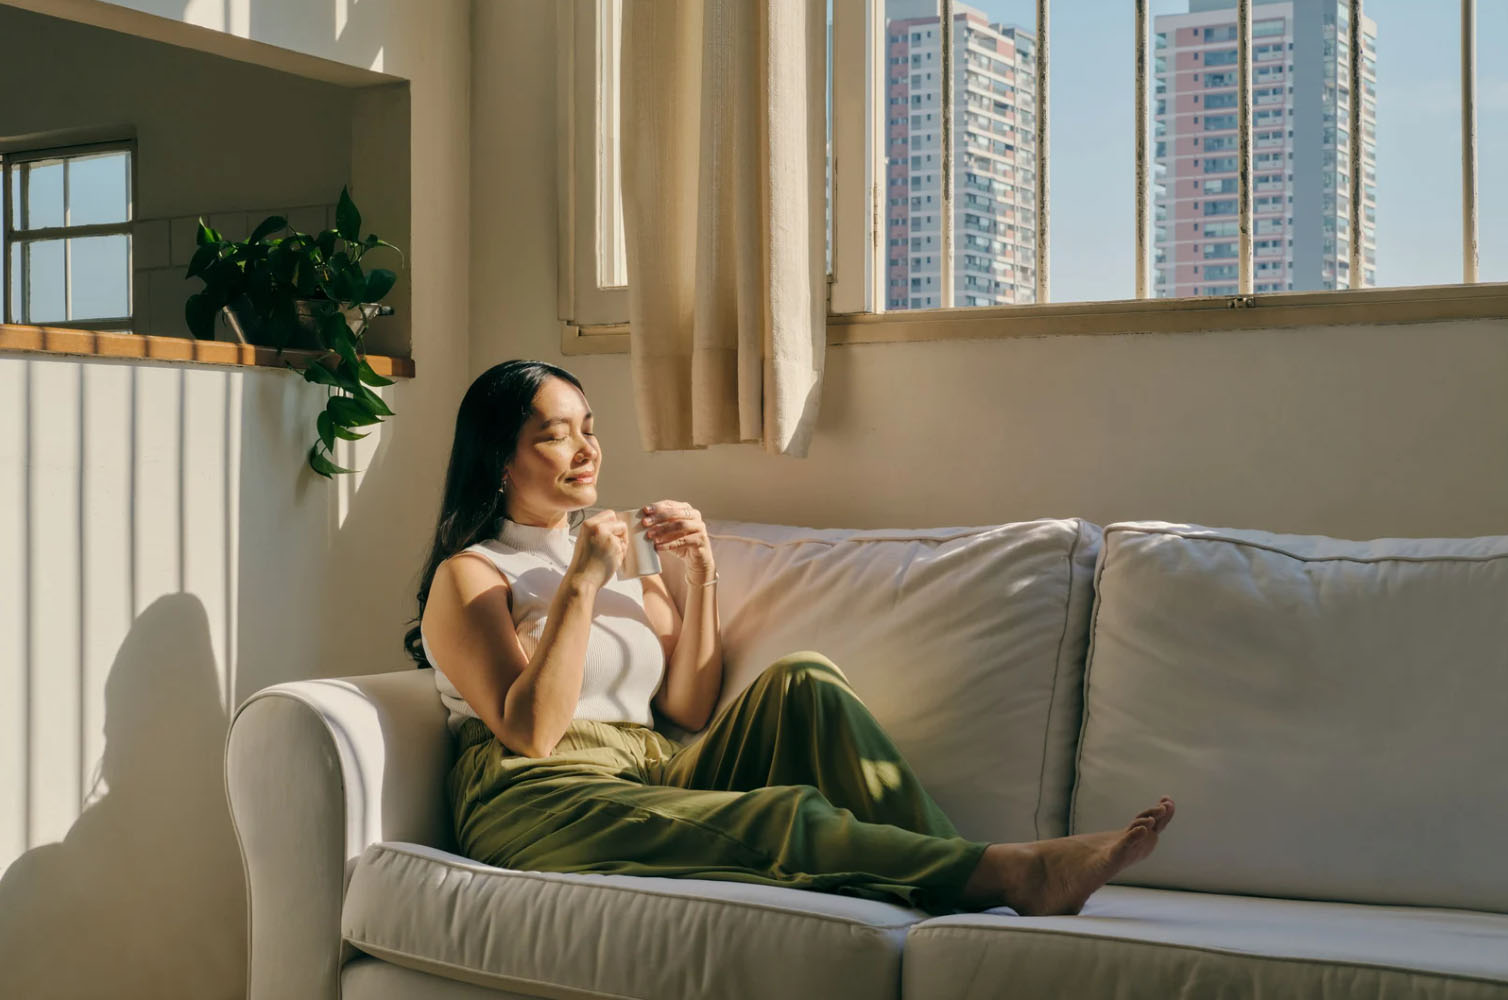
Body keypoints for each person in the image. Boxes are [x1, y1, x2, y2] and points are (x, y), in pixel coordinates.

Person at [404, 359, 1175, 916]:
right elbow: (531, 732)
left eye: (590, 430)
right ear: (501, 461)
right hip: (537, 796)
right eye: (554, 436)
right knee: (780, 814)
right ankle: (1011, 877)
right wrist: (580, 583)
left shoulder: (615, 552)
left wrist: (696, 570)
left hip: (651, 766)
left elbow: (691, 706)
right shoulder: (472, 575)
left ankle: (963, 889)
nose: (586, 450)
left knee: (804, 679)